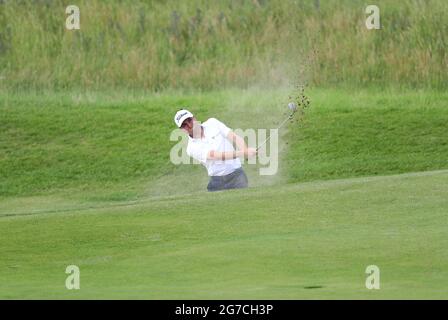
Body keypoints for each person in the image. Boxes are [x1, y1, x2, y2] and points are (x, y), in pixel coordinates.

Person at [174, 109, 257, 192]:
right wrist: (244, 152)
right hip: (218, 182)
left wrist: (246, 151)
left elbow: (234, 137)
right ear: (182, 130)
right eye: (184, 125)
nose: (189, 124)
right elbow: (217, 156)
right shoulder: (191, 148)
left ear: (194, 118)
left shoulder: (212, 123)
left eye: (189, 120)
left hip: (237, 176)